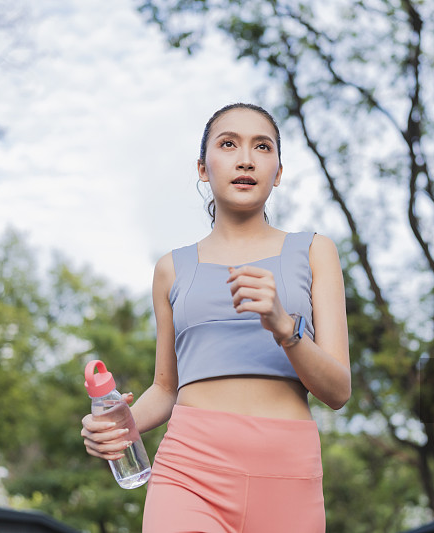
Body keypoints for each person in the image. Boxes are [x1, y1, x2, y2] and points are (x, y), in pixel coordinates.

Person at [81, 103, 351, 532]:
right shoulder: (171, 269)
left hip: (286, 473)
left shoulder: (316, 251)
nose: (245, 159)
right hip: (189, 469)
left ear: (278, 173)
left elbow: (338, 390)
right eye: (228, 144)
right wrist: (117, 425)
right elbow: (165, 388)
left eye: (262, 147)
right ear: (203, 168)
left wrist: (286, 327)